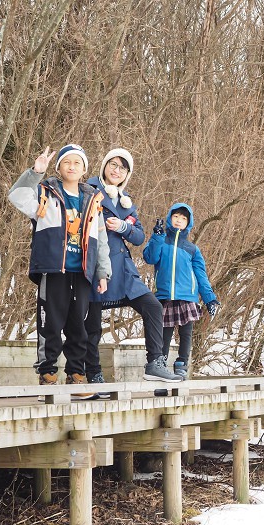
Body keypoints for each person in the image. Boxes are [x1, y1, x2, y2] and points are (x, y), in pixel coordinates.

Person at [8, 144, 111, 399]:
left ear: (85, 168)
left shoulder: (93, 199)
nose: (72, 167)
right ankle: (47, 373)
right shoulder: (46, 192)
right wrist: (35, 172)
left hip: (83, 271)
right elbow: (17, 196)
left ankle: (76, 374)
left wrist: (102, 272)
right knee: (50, 322)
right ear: (59, 167)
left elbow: (101, 238)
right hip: (53, 268)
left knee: (79, 324)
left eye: (77, 163)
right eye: (67, 162)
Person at [84, 149, 182, 382]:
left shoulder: (126, 201)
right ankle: (93, 372)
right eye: (113, 165)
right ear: (105, 166)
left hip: (124, 268)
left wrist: (122, 227)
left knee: (152, 306)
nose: (117, 171)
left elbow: (138, 237)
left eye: (123, 168)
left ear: (127, 174)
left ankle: (155, 362)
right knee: (93, 324)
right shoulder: (89, 190)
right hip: (96, 264)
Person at [143, 203, 220, 377]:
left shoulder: (192, 249)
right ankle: (160, 364)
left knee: (186, 332)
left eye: (184, 218)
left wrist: (210, 299)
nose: (179, 220)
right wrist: (156, 237)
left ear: (188, 223)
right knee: (165, 332)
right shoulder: (161, 241)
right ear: (170, 218)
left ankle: (182, 363)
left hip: (187, 295)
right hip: (164, 295)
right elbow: (150, 258)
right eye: (176, 216)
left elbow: (201, 275)